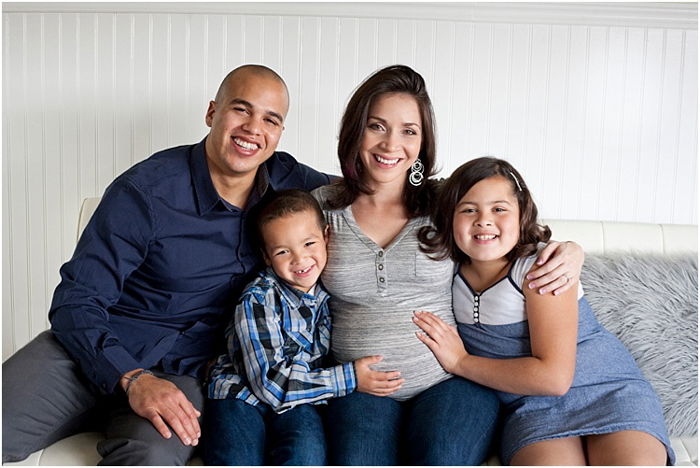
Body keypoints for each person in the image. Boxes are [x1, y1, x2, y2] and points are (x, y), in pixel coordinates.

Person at [2, 65, 332, 465]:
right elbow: (76, 300)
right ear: (212, 113)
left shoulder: (287, 180)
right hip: (90, 348)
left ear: (279, 133)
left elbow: (375, 187)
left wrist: (422, 178)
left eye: (270, 119)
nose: (252, 128)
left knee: (150, 457)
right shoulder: (145, 191)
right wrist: (132, 377)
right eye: (240, 110)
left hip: (182, 372)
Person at [311, 64, 586, 465]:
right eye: (377, 126)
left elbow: (508, 232)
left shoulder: (444, 203)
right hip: (363, 386)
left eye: (409, 130)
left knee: (443, 458)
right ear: (355, 131)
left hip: (449, 381)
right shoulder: (320, 208)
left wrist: (572, 249)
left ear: (423, 143)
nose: (392, 144)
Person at [413, 157, 675, 465]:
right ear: (448, 216)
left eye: (499, 209)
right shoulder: (446, 270)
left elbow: (554, 378)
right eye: (469, 209)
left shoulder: (541, 269)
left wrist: (461, 362)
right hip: (532, 407)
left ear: (522, 214)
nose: (483, 220)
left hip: (610, 392)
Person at [203, 189, 403, 465]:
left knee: (307, 454)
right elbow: (269, 384)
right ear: (266, 256)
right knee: (238, 458)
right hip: (240, 397)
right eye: (283, 251)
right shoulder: (259, 299)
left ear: (326, 237)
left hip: (300, 399)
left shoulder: (330, 292)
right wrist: (349, 378)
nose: (300, 260)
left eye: (309, 244)